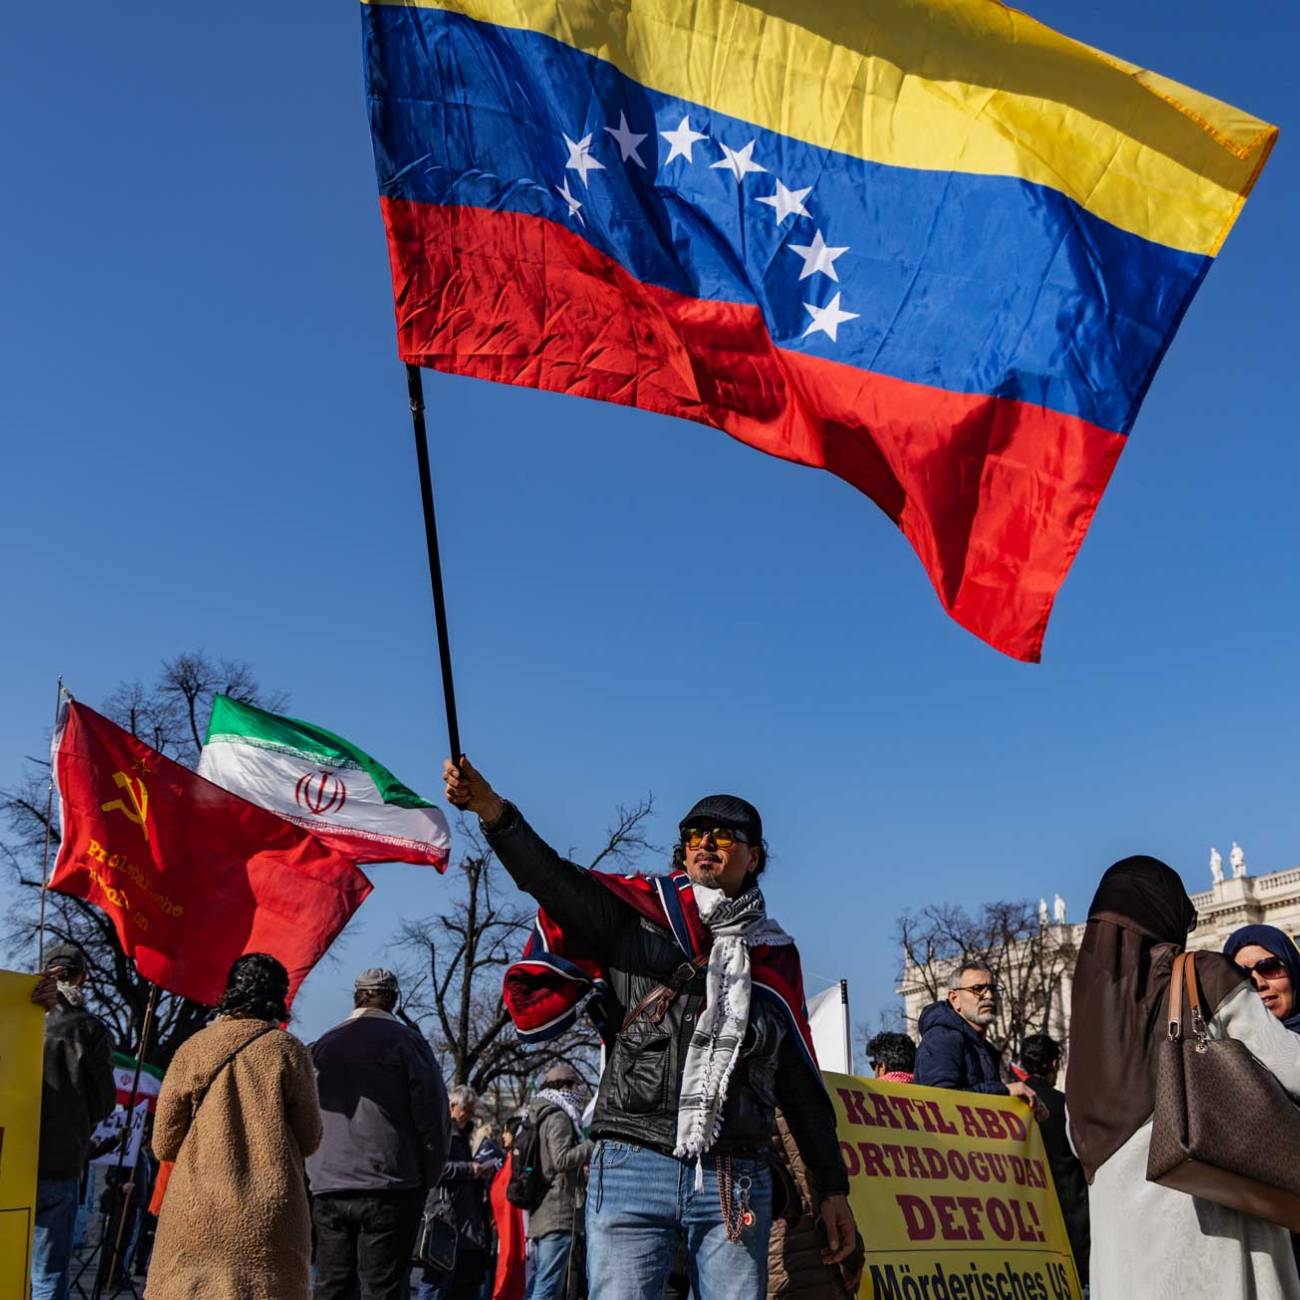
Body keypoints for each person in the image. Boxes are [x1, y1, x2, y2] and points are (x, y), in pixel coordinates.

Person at [443, 759, 857, 1300]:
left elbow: (800, 1084)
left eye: (724, 835)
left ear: (753, 856)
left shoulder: (775, 957)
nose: (705, 842)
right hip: (632, 1163)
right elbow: (553, 880)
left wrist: (832, 1188)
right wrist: (494, 812)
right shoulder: (636, 916)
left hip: (734, 1176)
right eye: (693, 834)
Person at [1068, 855, 1300, 1298]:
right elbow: (1291, 1066)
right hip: (1211, 1223)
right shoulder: (1203, 974)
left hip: (1127, 1255)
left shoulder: (1088, 1026)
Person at [145, 953, 322, 1300]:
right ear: (279, 997)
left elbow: (164, 1143)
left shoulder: (193, 1049)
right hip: (269, 1214)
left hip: (196, 1213)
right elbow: (311, 1137)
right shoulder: (289, 1051)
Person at [307, 968, 451, 1300]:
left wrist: (313, 1170)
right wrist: (427, 1176)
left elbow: (304, 1114)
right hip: (389, 1185)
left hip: (329, 1184)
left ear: (357, 996)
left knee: (331, 1285)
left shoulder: (323, 1045)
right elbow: (433, 1117)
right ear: (393, 999)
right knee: (382, 1289)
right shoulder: (409, 1043)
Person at [30, 942, 116, 1300]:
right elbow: (103, 1103)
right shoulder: (91, 1031)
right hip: (61, 1163)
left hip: (11, 1158)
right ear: (83, 978)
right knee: (49, 1273)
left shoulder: (17, 1017)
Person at [913, 963, 1044, 1115]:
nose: (989, 996)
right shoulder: (942, 1038)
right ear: (955, 999)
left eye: (993, 989)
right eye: (977, 989)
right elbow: (939, 1102)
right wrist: (1005, 1090)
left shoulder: (985, 1048)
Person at [1017, 1033, 1089, 1287]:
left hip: (1028, 1219)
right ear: (1054, 1064)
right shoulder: (1066, 1105)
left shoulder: (1010, 1104)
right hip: (1072, 1214)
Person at [766, 1112, 863, 1298]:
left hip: (774, 1254)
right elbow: (809, 1155)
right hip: (801, 1252)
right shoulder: (777, 1091)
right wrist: (852, 1255)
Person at [524, 1063, 592, 1300]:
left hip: (543, 1211)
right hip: (558, 1212)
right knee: (548, 1285)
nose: (579, 1092)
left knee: (540, 1280)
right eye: (575, 1086)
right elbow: (561, 1159)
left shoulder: (540, 1114)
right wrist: (591, 1146)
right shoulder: (559, 1117)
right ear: (564, 1087)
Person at [418, 1085, 493, 1300]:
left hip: (461, 1219)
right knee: (438, 1281)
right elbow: (436, 1169)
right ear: (452, 1106)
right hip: (445, 1216)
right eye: (466, 1110)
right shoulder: (442, 1131)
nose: (468, 1115)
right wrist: (469, 1169)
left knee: (455, 1281)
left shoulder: (458, 1133)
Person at [1224, 924, 1300, 1031]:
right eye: (1241, 974)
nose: (1259, 984)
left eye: (1269, 967)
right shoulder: (1228, 1045)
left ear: (1293, 970)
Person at [490, 1112, 527, 1300]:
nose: (503, 1136)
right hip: (504, 1227)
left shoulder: (515, 1163)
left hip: (512, 1226)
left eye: (507, 1132)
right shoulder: (509, 1160)